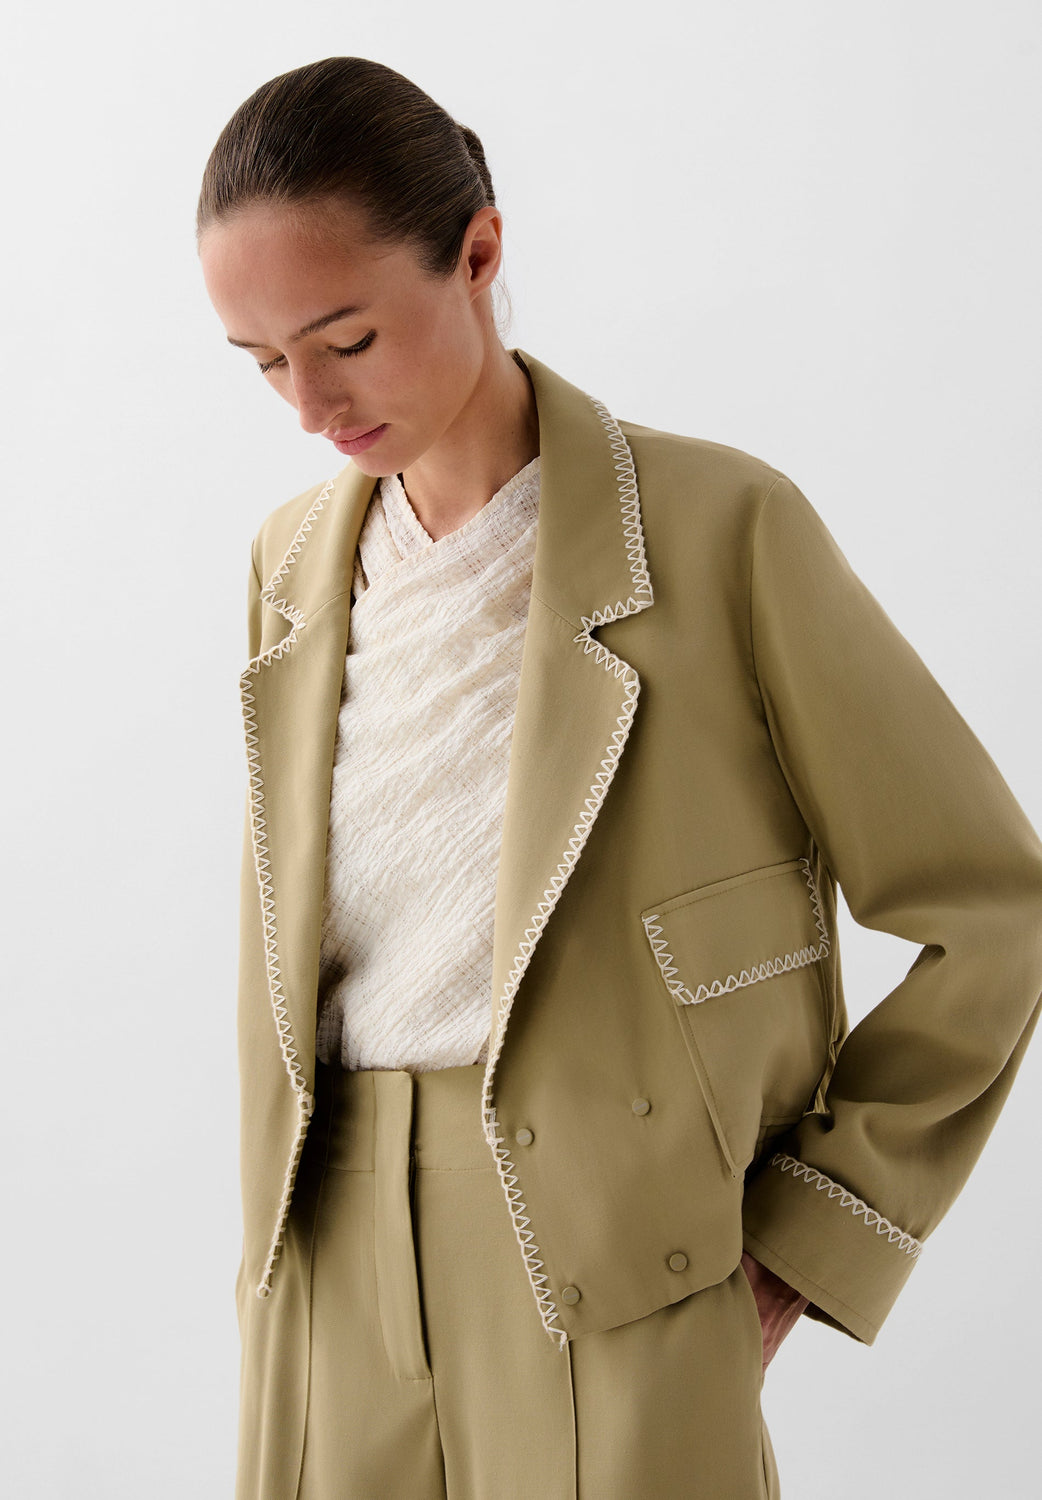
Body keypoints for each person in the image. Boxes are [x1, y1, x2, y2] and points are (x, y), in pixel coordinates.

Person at [197, 56, 1042, 1500]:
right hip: (325, 1243)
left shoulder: (720, 530)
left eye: (345, 339)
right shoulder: (289, 566)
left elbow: (992, 909)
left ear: (478, 253)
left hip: (612, 1246)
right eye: (264, 361)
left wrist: (815, 1229)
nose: (309, 406)